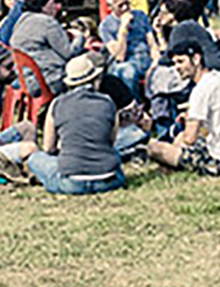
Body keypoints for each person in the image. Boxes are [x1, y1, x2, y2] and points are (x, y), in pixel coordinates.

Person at [17, 53, 145, 195]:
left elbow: (48, 147)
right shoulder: (108, 102)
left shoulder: (57, 104)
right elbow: (111, 141)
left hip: (71, 182)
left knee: (36, 158)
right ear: (94, 78)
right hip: (108, 180)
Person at [145, 38, 220, 176]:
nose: (177, 67)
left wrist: (189, 122)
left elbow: (190, 139)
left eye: (181, 62)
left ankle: (168, 169)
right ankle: (168, 170)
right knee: (180, 137)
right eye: (175, 63)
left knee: (153, 147)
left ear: (196, 59)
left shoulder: (201, 89)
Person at [8, 0, 81, 95]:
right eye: (53, 2)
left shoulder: (22, 21)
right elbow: (69, 54)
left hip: (27, 79)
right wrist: (80, 37)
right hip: (49, 79)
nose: (58, 7)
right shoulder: (48, 22)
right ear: (43, 4)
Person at [97, 0, 153, 98]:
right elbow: (119, 56)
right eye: (120, 5)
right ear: (110, 7)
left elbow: (152, 42)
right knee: (127, 72)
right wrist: (123, 28)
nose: (125, 8)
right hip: (127, 61)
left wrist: (156, 61)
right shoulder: (106, 26)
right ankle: (133, 107)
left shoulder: (141, 16)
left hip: (145, 57)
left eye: (127, 3)